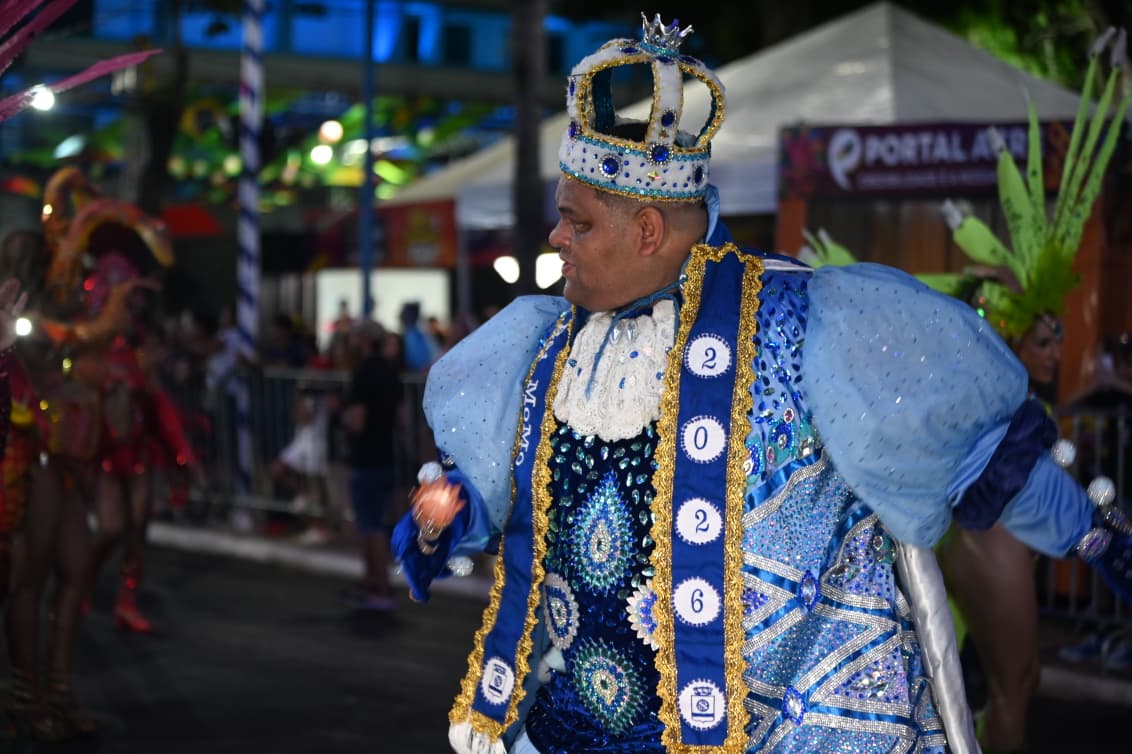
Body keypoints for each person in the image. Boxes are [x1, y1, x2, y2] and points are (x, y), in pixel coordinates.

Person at [391, 15, 1132, 754]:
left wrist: (1101, 539)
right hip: (577, 733)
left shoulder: (804, 323)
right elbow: (487, 498)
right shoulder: (545, 347)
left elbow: (990, 462)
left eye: (575, 223)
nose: (556, 239)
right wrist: (443, 515)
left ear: (647, 231)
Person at [340, 319, 404, 610]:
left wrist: (340, 416)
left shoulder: (363, 374)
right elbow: (402, 419)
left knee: (370, 525)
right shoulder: (391, 372)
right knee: (375, 521)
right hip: (386, 454)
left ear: (364, 341)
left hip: (365, 455)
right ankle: (370, 582)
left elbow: (357, 421)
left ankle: (380, 587)